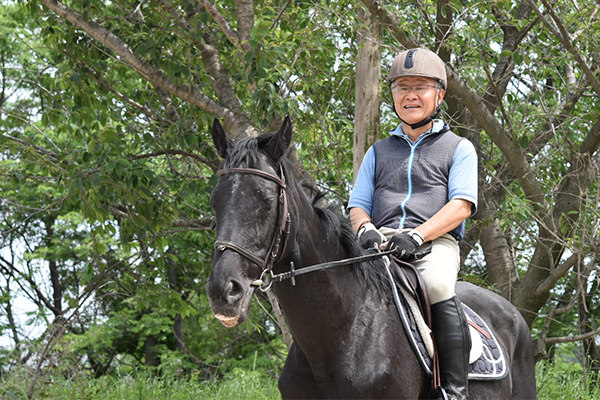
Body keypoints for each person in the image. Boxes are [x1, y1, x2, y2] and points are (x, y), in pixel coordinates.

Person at [348, 48, 478, 400]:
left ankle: (453, 391)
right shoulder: (377, 152)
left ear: (440, 94)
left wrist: (418, 234)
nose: (410, 96)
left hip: (433, 244)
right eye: (402, 87)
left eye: (420, 87)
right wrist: (366, 230)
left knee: (436, 285)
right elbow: (357, 206)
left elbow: (462, 205)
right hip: (380, 242)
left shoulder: (459, 148)